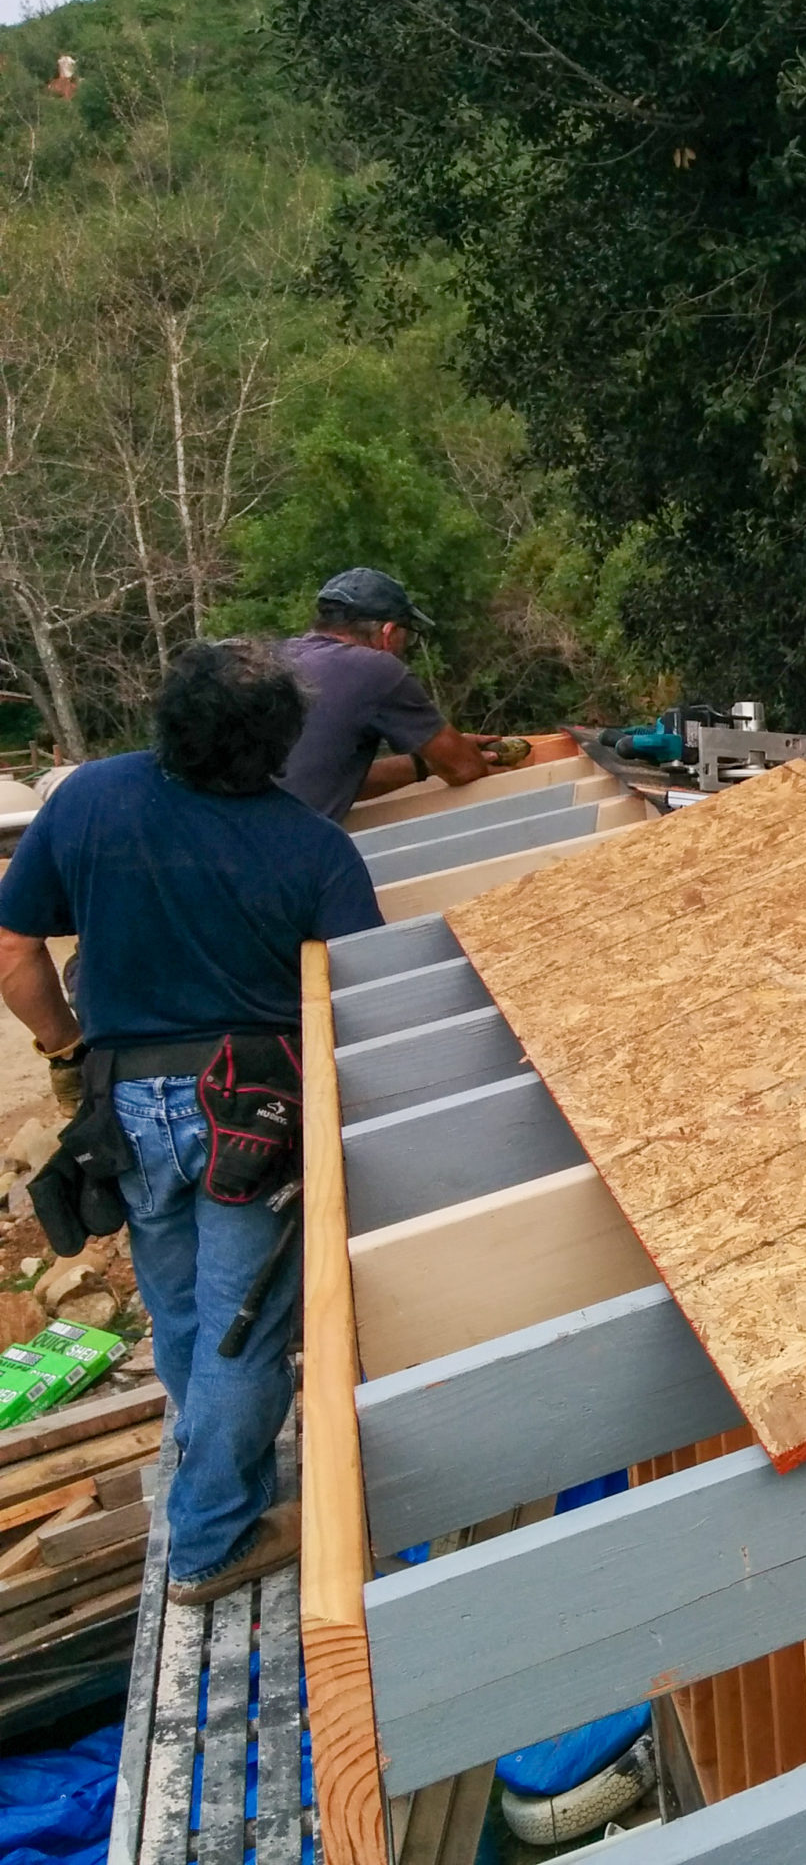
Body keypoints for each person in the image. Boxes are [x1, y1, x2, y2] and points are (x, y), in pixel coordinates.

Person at [0, 642, 383, 1604]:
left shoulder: (87, 801)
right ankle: (211, 1540)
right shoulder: (313, 849)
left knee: (184, 1313)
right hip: (252, 1119)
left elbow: (14, 950)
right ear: (282, 746)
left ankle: (214, 1473)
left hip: (129, 1104)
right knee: (243, 1333)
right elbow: (370, 1007)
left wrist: (64, 1053)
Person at [275, 566, 501, 822]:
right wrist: (460, 756)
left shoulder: (275, 658)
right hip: (290, 853)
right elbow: (464, 769)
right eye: (407, 636)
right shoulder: (374, 669)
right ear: (389, 632)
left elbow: (326, 776)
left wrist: (425, 764)